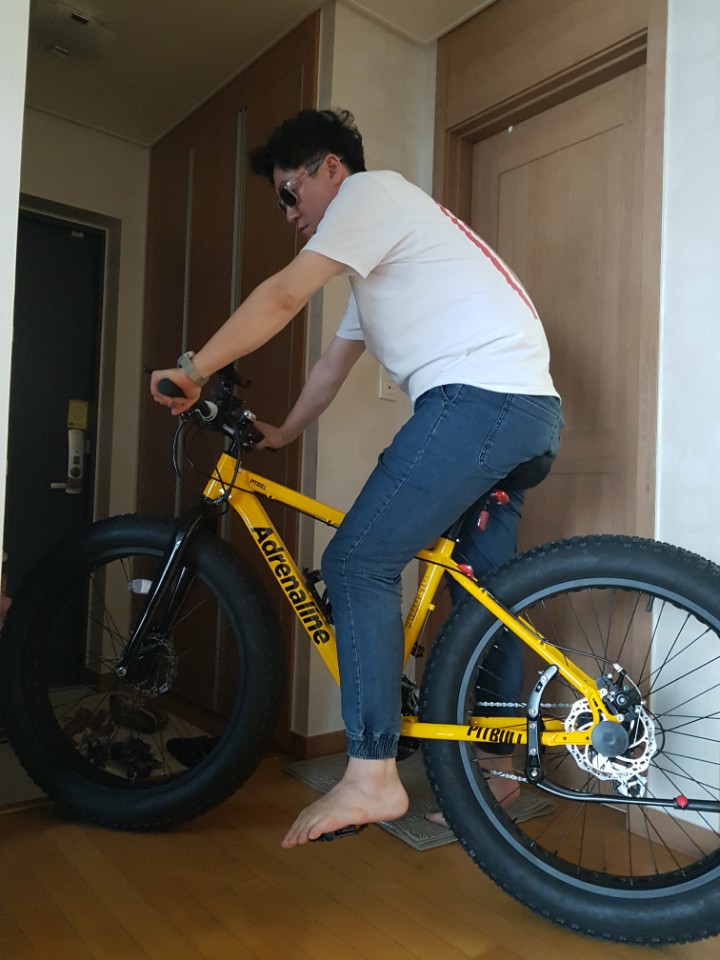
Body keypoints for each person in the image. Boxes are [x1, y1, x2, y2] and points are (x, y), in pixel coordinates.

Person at [150, 108, 563, 848]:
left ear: (331, 168)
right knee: (484, 597)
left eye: (289, 192)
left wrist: (193, 369)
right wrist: (286, 430)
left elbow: (283, 295)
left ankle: (371, 774)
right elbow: (331, 366)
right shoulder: (381, 251)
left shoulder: (372, 194)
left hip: (480, 402)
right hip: (523, 414)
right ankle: (503, 766)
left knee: (356, 562)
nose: (289, 214)